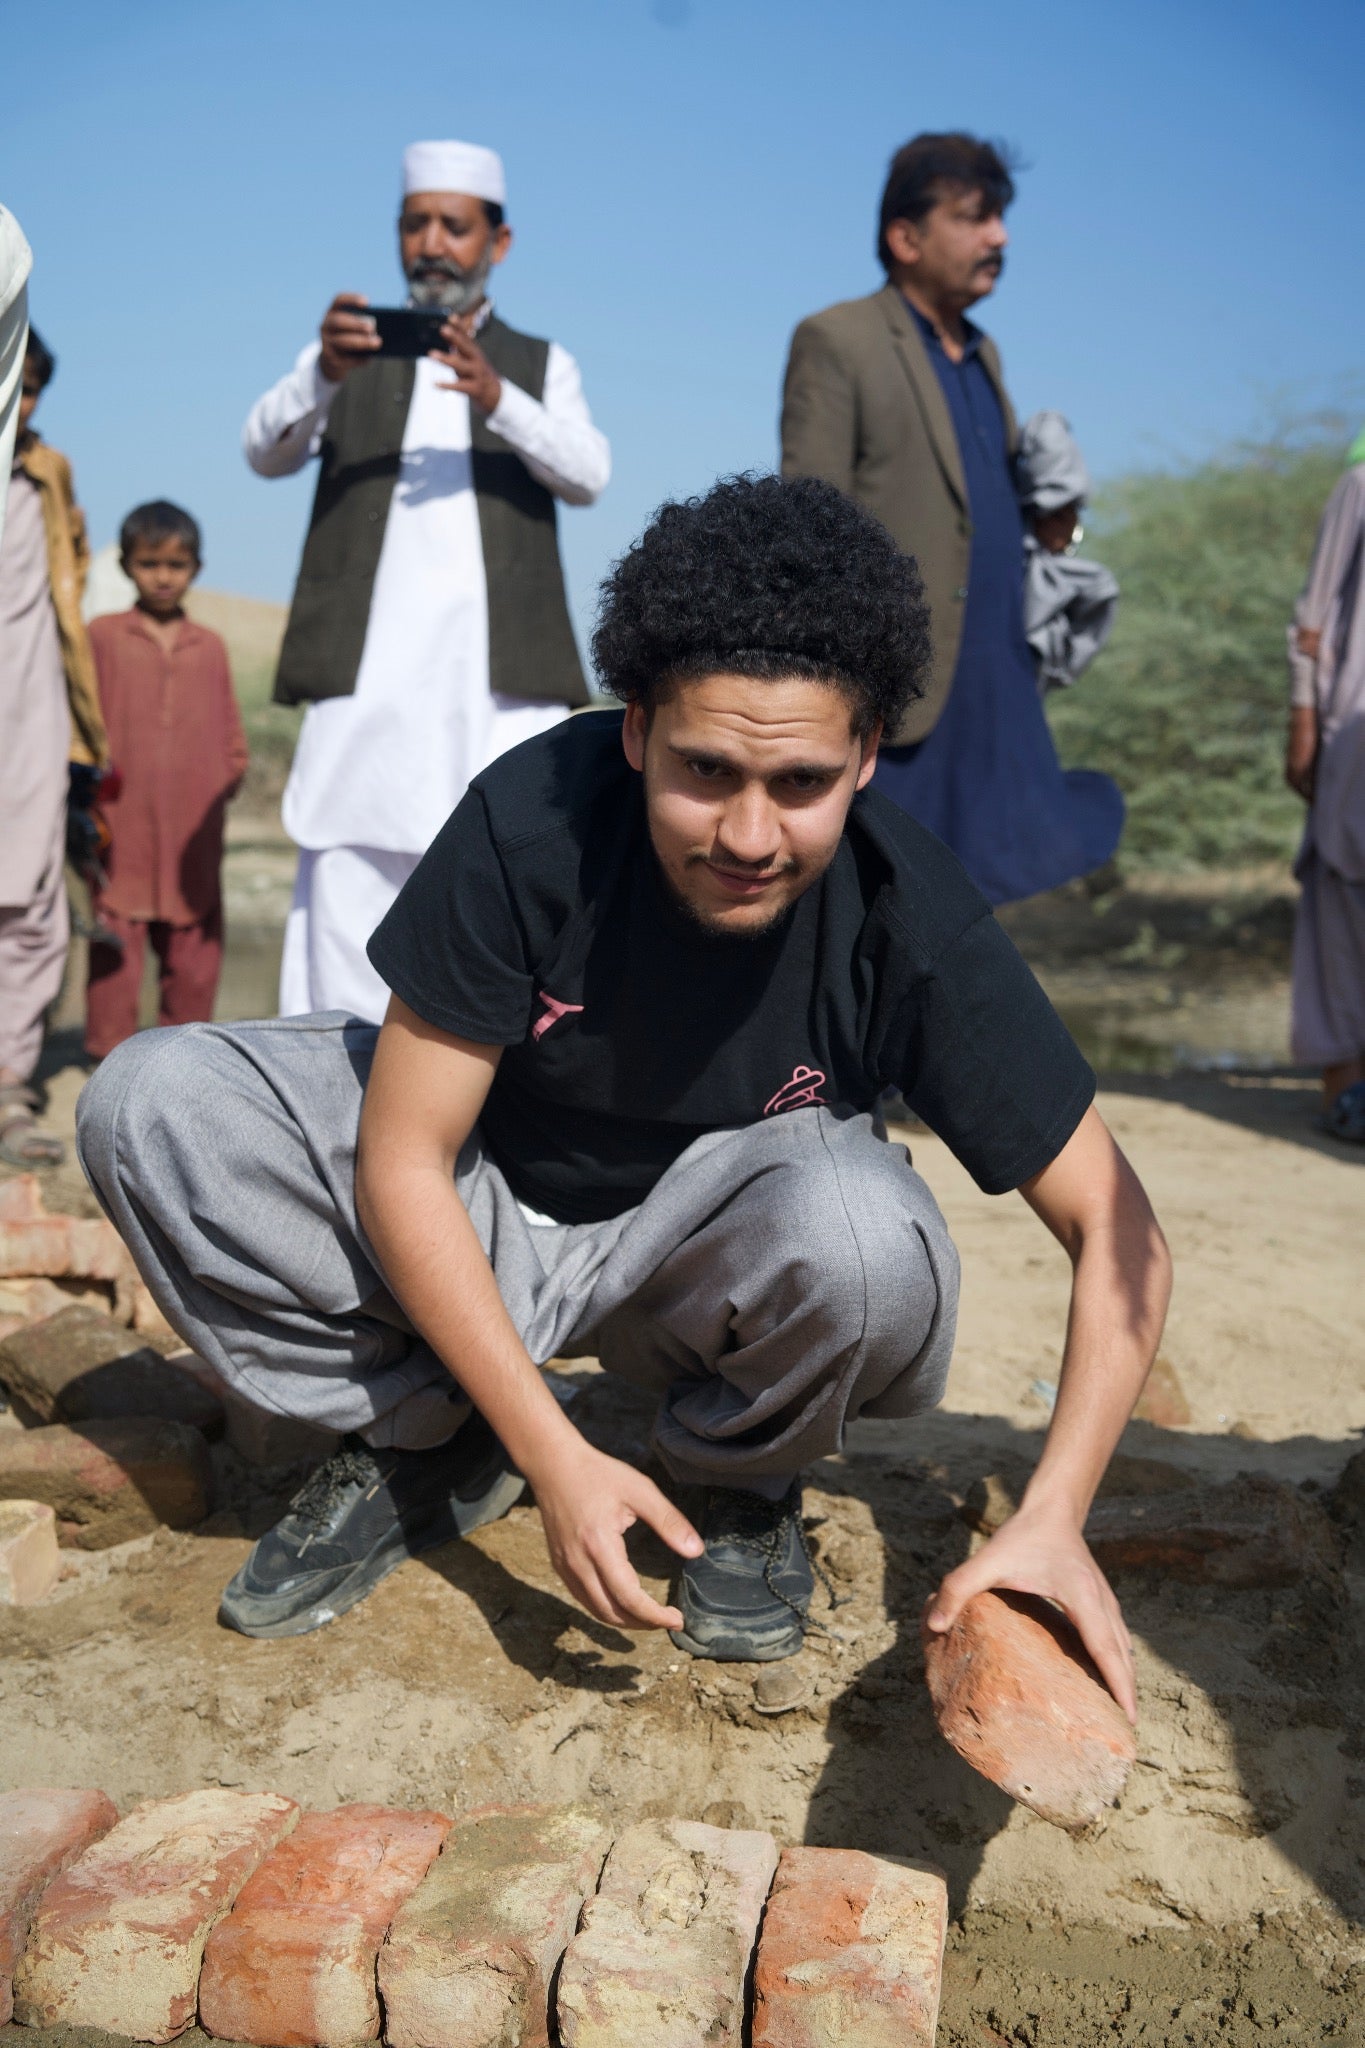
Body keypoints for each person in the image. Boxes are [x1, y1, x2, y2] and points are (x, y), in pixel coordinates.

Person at [79, 475, 1169, 1721]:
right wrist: (553, 1451)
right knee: (151, 1099)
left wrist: (1054, 1516)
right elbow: (403, 1159)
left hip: (701, 1283)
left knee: (868, 1232)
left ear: (866, 757)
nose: (750, 834)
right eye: (706, 770)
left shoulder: (903, 909)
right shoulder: (531, 818)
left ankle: (741, 1479)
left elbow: (1117, 1227)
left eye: (802, 783)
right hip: (482, 1220)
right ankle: (434, 1432)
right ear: (637, 727)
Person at [243, 138, 610, 1023]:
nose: (433, 243)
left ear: (499, 242)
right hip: (364, 684)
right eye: (417, 224)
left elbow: (588, 472)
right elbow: (262, 451)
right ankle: (318, 1108)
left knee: (497, 876)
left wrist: (496, 398)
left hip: (489, 689)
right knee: (343, 872)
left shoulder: (537, 363)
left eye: (455, 225)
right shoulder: (347, 354)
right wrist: (323, 372)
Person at [781, 131, 1123, 905]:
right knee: (875, 907)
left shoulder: (983, 353)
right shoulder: (839, 340)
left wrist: (1056, 513)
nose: (997, 237)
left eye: (998, 219)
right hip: (900, 689)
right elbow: (807, 526)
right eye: (974, 218)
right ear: (905, 237)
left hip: (992, 678)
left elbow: (985, 520)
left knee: (975, 918)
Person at [84, 502, 248, 1059]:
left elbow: (230, 731)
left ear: (195, 569)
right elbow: (84, 720)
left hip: (191, 828)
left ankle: (180, 1058)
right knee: (116, 944)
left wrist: (228, 772)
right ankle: (108, 1057)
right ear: (128, 565)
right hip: (120, 822)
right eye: (149, 562)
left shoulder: (210, 645)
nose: (162, 576)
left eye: (176, 565)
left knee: (193, 951)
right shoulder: (102, 637)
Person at [0, 327, 107, 1166]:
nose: (21, 401)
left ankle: (8, 1084)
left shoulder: (46, 474)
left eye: (32, 387)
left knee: (31, 895)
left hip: (30, 701)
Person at [1285, 436, 1365, 1142]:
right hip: (1352, 732)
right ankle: (1343, 1088)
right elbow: (1312, 620)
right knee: (1339, 889)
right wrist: (1303, 715)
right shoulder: (1360, 482)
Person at [1015, 409, 1119, 693]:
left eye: (1069, 512)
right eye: (1056, 514)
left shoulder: (1083, 584)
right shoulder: (1016, 565)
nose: (1067, 525)